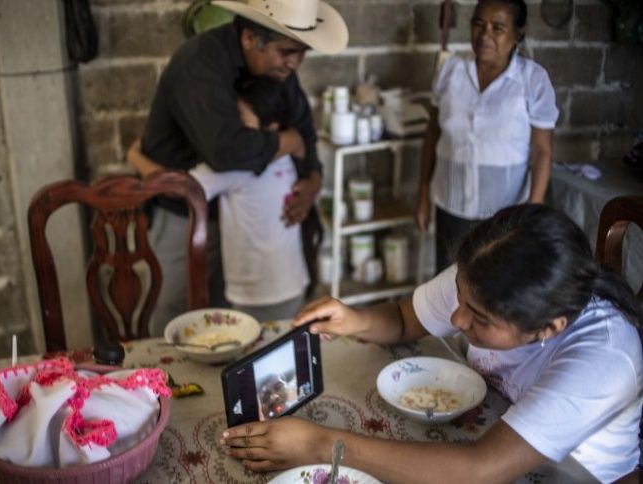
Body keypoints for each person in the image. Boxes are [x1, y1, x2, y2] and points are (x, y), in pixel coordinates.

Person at [220, 203, 643, 483]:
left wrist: (321, 445)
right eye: (460, 299)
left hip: (572, 474)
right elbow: (407, 318)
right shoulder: (484, 275)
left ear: (550, 328)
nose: (457, 320)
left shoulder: (603, 355)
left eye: (478, 318)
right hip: (497, 432)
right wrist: (355, 319)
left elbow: (480, 469)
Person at [136, 0, 348, 334]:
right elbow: (228, 152)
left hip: (237, 220)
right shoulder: (199, 63)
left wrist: (314, 178)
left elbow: (302, 124)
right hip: (181, 209)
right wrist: (288, 143)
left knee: (225, 320)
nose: (296, 63)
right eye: (287, 52)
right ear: (250, 39)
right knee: (173, 313)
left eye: (302, 52)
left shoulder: (281, 68)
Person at [129, 78, 310, 322]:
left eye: (241, 117)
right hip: (291, 280)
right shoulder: (289, 150)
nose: (232, 124)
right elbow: (300, 142)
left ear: (271, 125)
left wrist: (134, 156)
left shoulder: (238, 163)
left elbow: (178, 187)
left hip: (256, 291)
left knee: (257, 354)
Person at [416, 0, 559, 274]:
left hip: (504, 217)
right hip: (450, 207)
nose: (485, 35)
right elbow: (432, 133)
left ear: (518, 33)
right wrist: (422, 194)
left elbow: (542, 150)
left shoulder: (532, 80)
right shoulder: (450, 71)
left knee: (495, 295)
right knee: (446, 290)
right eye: (478, 24)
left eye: (498, 28)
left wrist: (532, 210)